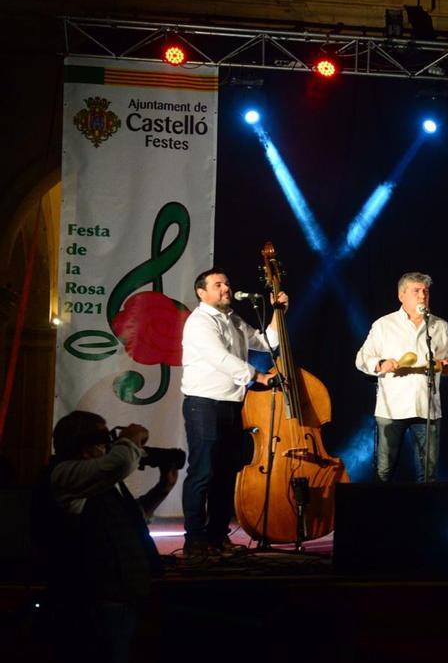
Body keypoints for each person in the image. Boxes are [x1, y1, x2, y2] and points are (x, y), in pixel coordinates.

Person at [33, 411, 178, 663]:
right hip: (94, 599)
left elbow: (131, 518)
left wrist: (162, 488)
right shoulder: (63, 473)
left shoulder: (95, 481)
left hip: (122, 595)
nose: (107, 449)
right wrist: (130, 439)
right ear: (86, 448)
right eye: (103, 442)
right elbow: (120, 463)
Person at [180, 268, 286, 559]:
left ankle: (217, 536)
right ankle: (195, 540)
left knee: (225, 473)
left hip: (231, 404)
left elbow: (266, 343)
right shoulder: (200, 322)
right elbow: (220, 358)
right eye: (218, 285)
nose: (226, 288)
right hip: (204, 403)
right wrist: (258, 377)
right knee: (202, 472)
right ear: (202, 292)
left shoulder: (234, 320)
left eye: (227, 283)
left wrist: (277, 311)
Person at [355, 271, 448, 485]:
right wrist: (381, 364)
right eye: (416, 291)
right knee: (385, 470)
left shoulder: (439, 326)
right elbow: (361, 358)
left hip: (426, 407)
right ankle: (380, 517)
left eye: (425, 291)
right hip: (392, 408)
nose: (422, 296)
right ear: (401, 295)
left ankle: (426, 518)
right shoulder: (384, 325)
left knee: (428, 474)